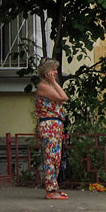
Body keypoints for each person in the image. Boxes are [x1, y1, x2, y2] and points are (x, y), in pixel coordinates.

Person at [34, 57, 69, 200]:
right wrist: (54, 82)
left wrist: (54, 83)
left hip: (55, 125)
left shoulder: (50, 85)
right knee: (50, 157)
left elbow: (63, 96)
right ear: (46, 72)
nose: (56, 72)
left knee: (56, 157)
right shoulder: (43, 86)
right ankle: (50, 189)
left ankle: (55, 187)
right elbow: (63, 98)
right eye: (53, 69)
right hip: (49, 125)